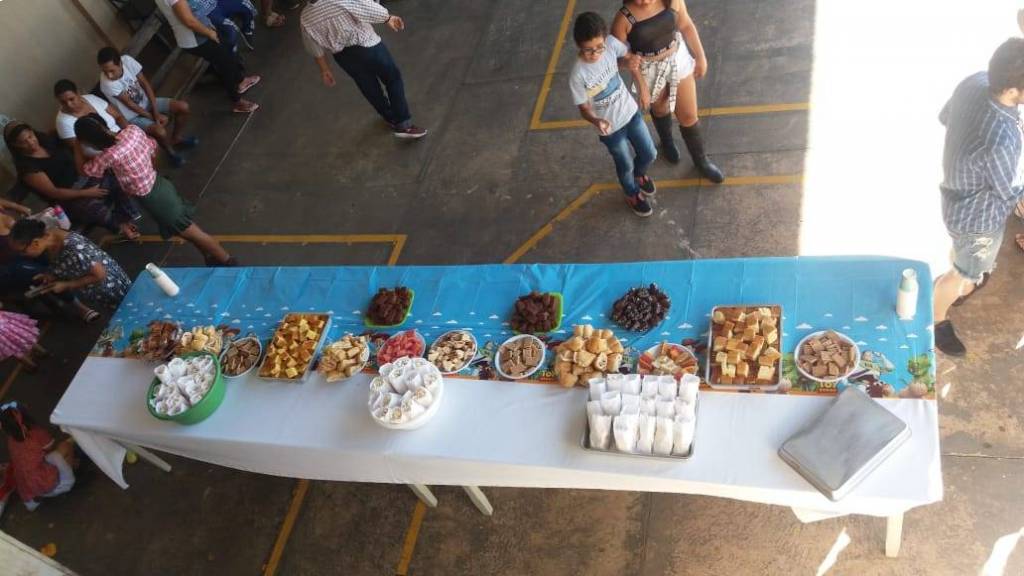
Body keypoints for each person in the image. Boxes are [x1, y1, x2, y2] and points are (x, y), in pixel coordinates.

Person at [933, 38, 1024, 356]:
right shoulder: (1002, 138)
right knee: (962, 273)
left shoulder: (975, 81)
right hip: (978, 220)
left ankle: (966, 271)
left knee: (964, 253)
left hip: (954, 196)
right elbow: (1008, 191)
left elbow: (945, 116)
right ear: (1012, 91)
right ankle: (937, 318)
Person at [74, 117, 238, 267]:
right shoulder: (132, 131)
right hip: (160, 184)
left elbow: (84, 171)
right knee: (188, 231)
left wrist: (76, 144)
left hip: (155, 200)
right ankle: (210, 257)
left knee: (194, 233)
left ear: (90, 142)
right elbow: (153, 147)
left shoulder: (107, 156)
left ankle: (227, 261)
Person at [612, 0, 724, 183]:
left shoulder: (672, 1)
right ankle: (667, 142)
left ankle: (701, 161)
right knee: (660, 109)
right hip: (647, 69)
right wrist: (641, 85)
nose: (643, 1)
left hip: (677, 59)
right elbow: (618, 55)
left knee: (689, 115)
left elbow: (686, 25)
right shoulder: (623, 19)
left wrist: (700, 56)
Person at [570, 12, 658, 217]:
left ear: (605, 38)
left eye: (599, 47)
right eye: (588, 50)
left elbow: (627, 59)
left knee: (649, 153)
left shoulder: (611, 45)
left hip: (631, 113)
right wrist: (596, 120)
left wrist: (638, 77)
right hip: (610, 130)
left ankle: (640, 175)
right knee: (625, 165)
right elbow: (583, 108)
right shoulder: (577, 74)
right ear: (578, 45)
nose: (595, 54)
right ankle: (631, 193)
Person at [300, 0, 428, 139]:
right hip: (368, 46)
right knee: (392, 79)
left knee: (368, 87)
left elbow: (314, 47)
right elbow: (365, 7)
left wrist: (325, 69)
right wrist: (387, 18)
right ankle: (404, 125)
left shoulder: (305, 18)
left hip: (343, 57)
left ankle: (390, 118)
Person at [4, 120, 140, 239]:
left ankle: (127, 216)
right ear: (15, 145)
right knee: (92, 207)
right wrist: (86, 193)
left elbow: (75, 146)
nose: (30, 142)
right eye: (23, 142)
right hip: (68, 197)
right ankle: (120, 227)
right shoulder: (27, 168)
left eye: (30, 136)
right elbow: (53, 192)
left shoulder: (47, 141)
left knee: (115, 179)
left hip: (83, 179)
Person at [0, 203, 103, 323]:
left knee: (45, 265)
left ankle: (74, 303)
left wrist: (24, 210)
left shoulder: (7, 221)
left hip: (25, 252)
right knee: (31, 271)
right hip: (11, 266)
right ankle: (71, 302)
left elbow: (19, 230)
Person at [153, 0, 261, 113]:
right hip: (195, 38)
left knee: (227, 56)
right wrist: (209, 33)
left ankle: (241, 81)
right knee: (226, 62)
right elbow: (189, 21)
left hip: (197, 34)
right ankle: (237, 101)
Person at [97, 47, 198, 167]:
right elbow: (130, 104)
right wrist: (154, 117)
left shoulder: (127, 61)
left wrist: (156, 112)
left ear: (120, 63)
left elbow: (145, 84)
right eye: (105, 71)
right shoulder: (107, 84)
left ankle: (176, 138)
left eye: (111, 71)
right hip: (133, 116)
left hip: (146, 103)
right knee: (160, 131)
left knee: (183, 107)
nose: (108, 75)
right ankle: (171, 152)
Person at [9, 219, 131, 310]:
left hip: (109, 287)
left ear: (35, 243)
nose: (22, 255)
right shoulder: (49, 238)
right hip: (94, 288)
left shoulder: (74, 248)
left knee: (128, 308)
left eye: (22, 251)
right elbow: (65, 263)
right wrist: (51, 275)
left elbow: (100, 275)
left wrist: (66, 285)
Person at [0, 402, 77, 515]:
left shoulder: (11, 441)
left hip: (29, 489)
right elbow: (51, 448)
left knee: (48, 458)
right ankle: (67, 478)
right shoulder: (36, 433)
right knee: (65, 447)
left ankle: (45, 491)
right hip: (45, 483)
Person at [53, 79, 126, 172]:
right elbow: (79, 149)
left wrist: (127, 134)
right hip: (103, 156)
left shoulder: (91, 98)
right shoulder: (62, 122)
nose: (69, 105)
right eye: (63, 102)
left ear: (78, 93)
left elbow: (118, 117)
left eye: (71, 99)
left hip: (121, 138)